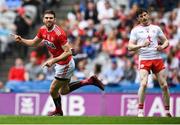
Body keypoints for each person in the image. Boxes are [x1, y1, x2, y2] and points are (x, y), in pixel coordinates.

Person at [10, 10, 104, 116]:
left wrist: (52, 61)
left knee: (53, 90)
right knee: (64, 91)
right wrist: (21, 40)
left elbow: (68, 52)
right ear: (43, 19)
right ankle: (89, 81)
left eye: (51, 18)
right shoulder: (42, 30)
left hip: (65, 64)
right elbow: (33, 43)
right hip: (61, 63)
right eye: (46, 18)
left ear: (54, 20)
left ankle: (59, 111)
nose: (48, 20)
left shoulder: (59, 33)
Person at [128, 8, 172, 117]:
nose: (143, 17)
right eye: (141, 16)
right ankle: (140, 111)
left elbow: (166, 41)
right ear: (138, 19)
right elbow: (130, 47)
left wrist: (162, 46)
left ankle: (167, 112)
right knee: (143, 83)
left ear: (148, 15)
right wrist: (141, 45)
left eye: (145, 15)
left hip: (157, 58)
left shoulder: (156, 28)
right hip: (144, 58)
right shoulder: (135, 30)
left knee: (164, 85)